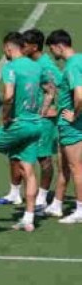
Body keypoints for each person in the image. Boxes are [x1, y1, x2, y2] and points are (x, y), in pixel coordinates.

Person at [0, 32, 54, 232]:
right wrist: (41, 111)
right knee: (28, 169)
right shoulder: (37, 66)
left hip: (18, 124)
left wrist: (5, 118)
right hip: (35, 125)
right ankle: (29, 218)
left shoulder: (11, 67)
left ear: (8, 47)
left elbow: (9, 96)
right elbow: (50, 90)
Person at [45, 29, 82, 223]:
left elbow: (80, 94)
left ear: (60, 46)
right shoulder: (80, 60)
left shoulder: (72, 66)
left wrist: (74, 115)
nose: (52, 53)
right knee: (66, 166)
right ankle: (57, 204)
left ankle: (80, 209)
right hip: (69, 124)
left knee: (76, 167)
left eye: (52, 49)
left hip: (71, 125)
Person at [23, 29, 61, 212]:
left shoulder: (46, 66)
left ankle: (43, 196)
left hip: (45, 119)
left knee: (44, 158)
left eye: (25, 45)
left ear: (34, 47)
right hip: (33, 117)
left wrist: (49, 109)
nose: (21, 47)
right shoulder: (34, 63)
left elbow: (60, 86)